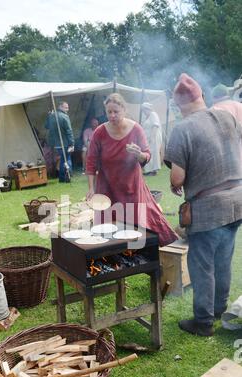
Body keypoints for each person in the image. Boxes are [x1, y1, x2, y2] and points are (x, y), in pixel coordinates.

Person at [165, 73, 242, 337]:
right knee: (224, 257)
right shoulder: (227, 116)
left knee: (202, 265)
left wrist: (176, 182)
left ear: (178, 104)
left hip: (208, 208)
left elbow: (177, 177)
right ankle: (219, 308)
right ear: (202, 96)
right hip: (237, 200)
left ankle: (203, 321)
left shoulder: (182, 128)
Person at [86, 93, 177, 247]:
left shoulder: (136, 129)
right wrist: (91, 188)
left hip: (131, 186)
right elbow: (91, 162)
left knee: (135, 223)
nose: (112, 115)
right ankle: (110, 254)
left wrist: (138, 154)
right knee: (107, 225)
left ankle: (136, 252)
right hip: (106, 187)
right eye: (109, 112)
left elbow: (147, 156)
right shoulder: (99, 132)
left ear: (124, 110)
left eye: (116, 112)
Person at [45, 101, 74, 183]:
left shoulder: (51, 116)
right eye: (66, 107)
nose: (67, 109)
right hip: (64, 142)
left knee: (62, 160)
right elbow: (69, 131)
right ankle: (66, 177)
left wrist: (49, 116)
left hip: (55, 144)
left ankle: (63, 177)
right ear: (60, 107)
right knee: (66, 160)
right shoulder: (65, 116)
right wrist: (72, 143)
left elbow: (46, 126)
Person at [141, 103, 162, 176]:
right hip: (148, 137)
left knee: (153, 152)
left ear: (148, 109)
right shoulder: (146, 117)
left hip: (154, 136)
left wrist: (152, 137)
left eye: (144, 109)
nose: (143, 111)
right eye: (143, 110)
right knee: (149, 152)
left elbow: (155, 125)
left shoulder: (153, 114)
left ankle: (153, 170)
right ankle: (149, 170)